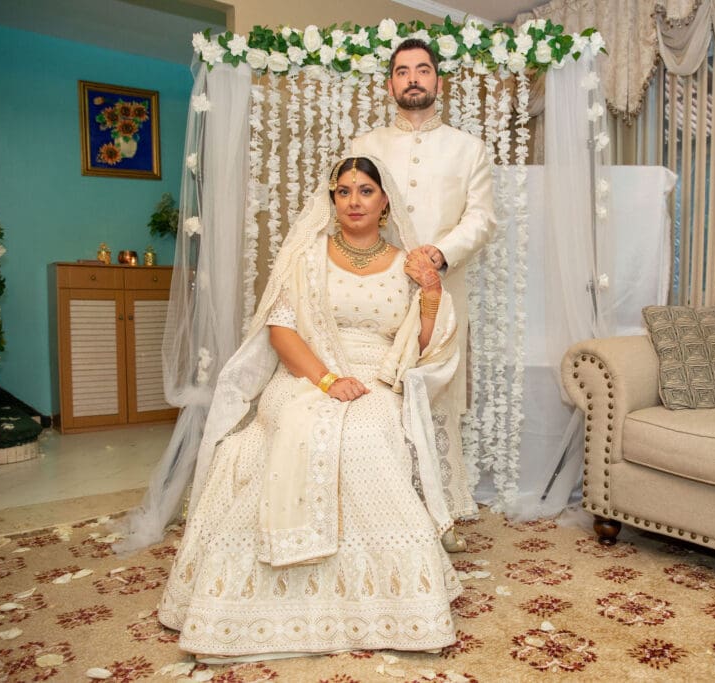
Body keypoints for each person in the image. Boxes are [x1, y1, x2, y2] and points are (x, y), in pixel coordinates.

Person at [156, 156, 462, 659]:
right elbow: (281, 332)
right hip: (304, 373)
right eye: (343, 192)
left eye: (365, 191)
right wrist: (325, 379)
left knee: (366, 436)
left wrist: (430, 290)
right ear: (332, 200)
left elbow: (422, 346)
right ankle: (249, 602)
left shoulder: (409, 264)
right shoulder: (305, 256)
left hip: (377, 377)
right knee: (295, 425)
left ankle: (390, 605)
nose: (354, 201)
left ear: (385, 201)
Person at [352, 39, 496, 549]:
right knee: (381, 395)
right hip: (374, 290)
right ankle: (381, 514)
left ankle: (442, 515)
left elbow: (482, 218)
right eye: (402, 71)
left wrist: (439, 254)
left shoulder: (467, 148)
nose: (413, 78)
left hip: (443, 290)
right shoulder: (365, 144)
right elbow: (350, 209)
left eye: (423, 70)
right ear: (389, 84)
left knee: (435, 402)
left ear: (439, 81)